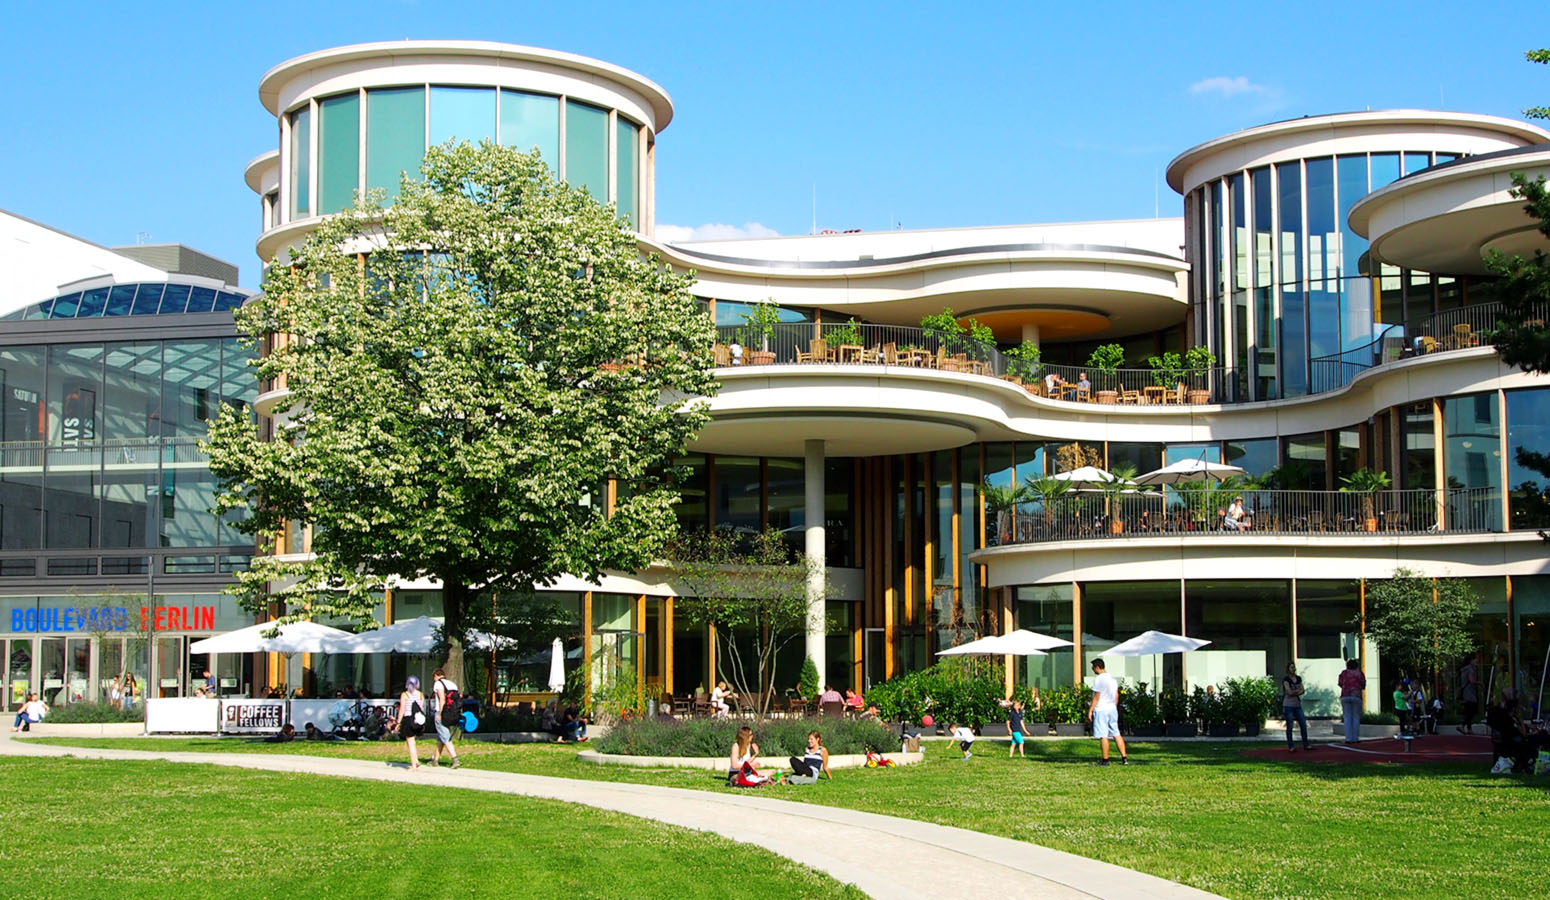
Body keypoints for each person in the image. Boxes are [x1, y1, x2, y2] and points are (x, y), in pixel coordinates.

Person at [1086, 658, 1128, 765]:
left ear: (1097, 667)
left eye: (1093, 667)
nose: (1092, 670)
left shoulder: (1099, 679)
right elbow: (1116, 695)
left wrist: (1090, 710)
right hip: (1112, 708)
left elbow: (1096, 696)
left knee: (1103, 735)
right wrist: (1114, 705)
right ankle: (1124, 758)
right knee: (1116, 732)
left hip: (1101, 709)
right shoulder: (1112, 678)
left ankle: (1105, 760)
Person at [430, 668, 462, 768]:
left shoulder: (438, 684)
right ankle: (435, 760)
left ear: (436, 675)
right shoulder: (452, 684)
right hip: (452, 712)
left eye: (434, 677)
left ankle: (455, 759)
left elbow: (442, 699)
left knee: (445, 736)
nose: (434, 679)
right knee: (441, 737)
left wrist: (440, 713)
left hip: (442, 712)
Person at [398, 675, 427, 770]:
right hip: (417, 719)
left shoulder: (405, 695)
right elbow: (421, 708)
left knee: (410, 742)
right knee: (412, 741)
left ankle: (413, 765)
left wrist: (398, 722)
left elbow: (402, 709)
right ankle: (416, 760)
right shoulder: (420, 694)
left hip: (408, 719)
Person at [1281, 662, 1310, 751]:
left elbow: (1303, 690)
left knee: (1303, 724)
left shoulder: (1298, 678)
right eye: (1291, 667)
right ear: (1288, 669)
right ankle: (1291, 746)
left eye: (1294, 667)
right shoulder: (1286, 679)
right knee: (1290, 726)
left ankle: (1306, 744)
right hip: (1288, 705)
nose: (1293, 669)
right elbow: (1288, 692)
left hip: (1297, 705)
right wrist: (1297, 691)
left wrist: (1295, 692)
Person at [1337, 658, 1365, 743]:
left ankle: (1348, 738)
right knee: (1356, 717)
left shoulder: (1344, 673)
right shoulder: (1359, 673)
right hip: (1356, 696)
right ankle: (1355, 738)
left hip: (1345, 695)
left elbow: (1340, 683)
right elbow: (1363, 685)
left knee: (1347, 717)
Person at [1458, 654, 1481, 734]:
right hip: (1470, 693)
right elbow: (1472, 680)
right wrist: (1479, 683)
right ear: (1471, 661)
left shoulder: (1464, 670)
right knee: (1471, 710)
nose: (1476, 661)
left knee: (1468, 710)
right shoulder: (1470, 670)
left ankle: (1469, 728)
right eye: (1475, 660)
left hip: (1465, 693)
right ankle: (1462, 724)